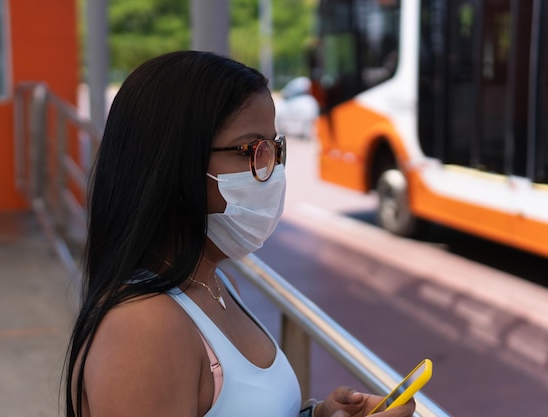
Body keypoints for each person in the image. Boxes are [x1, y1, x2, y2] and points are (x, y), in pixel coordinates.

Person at [64, 50, 415, 417]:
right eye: (251, 149)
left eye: (274, 148)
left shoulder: (214, 282)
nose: (270, 169)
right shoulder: (142, 329)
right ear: (174, 162)